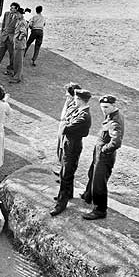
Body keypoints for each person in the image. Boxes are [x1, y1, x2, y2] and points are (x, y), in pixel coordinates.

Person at [81, 95, 124, 220]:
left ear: (113, 106)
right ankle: (88, 195)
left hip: (105, 156)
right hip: (99, 154)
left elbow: (116, 142)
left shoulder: (115, 121)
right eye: (102, 107)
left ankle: (100, 210)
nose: (103, 110)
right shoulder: (111, 115)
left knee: (99, 183)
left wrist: (104, 150)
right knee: (92, 174)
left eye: (106, 107)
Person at [50, 89, 92, 217]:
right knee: (67, 170)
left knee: (65, 175)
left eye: (75, 99)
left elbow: (65, 127)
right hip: (69, 144)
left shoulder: (84, 116)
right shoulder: (78, 110)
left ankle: (61, 204)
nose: (74, 100)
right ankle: (69, 193)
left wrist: (65, 123)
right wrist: (66, 122)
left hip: (72, 146)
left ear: (79, 99)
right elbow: (66, 120)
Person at [54, 82, 82, 175]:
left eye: (67, 92)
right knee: (60, 150)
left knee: (65, 152)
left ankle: (63, 173)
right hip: (62, 128)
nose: (66, 94)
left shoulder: (75, 105)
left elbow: (63, 117)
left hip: (67, 130)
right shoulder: (70, 102)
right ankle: (61, 170)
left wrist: (66, 104)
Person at [9, 7, 28, 84]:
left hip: (19, 45)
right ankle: (15, 75)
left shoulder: (22, 22)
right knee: (16, 61)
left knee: (19, 62)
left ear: (20, 14)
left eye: (17, 14)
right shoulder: (19, 21)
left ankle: (17, 78)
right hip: (17, 45)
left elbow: (24, 33)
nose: (16, 15)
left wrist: (18, 39)